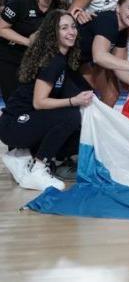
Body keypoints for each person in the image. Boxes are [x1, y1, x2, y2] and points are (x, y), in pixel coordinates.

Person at [0, 10, 92, 191]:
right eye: (64, 28)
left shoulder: (62, 60)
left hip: (20, 123)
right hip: (14, 125)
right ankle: (38, 170)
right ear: (53, 33)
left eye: (73, 27)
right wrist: (74, 101)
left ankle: (21, 156)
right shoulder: (53, 61)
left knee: (77, 130)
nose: (71, 32)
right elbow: (39, 103)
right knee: (70, 116)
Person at [0, 0, 68, 103]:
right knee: (15, 105)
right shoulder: (21, 1)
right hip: (11, 59)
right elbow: (1, 28)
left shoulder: (61, 6)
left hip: (38, 63)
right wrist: (28, 41)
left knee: (35, 106)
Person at [78, 0, 129, 107]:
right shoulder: (109, 20)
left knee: (111, 94)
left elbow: (119, 69)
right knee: (87, 94)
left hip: (81, 61)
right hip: (64, 60)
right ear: (118, 8)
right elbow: (99, 57)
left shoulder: (122, 30)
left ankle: (99, 124)